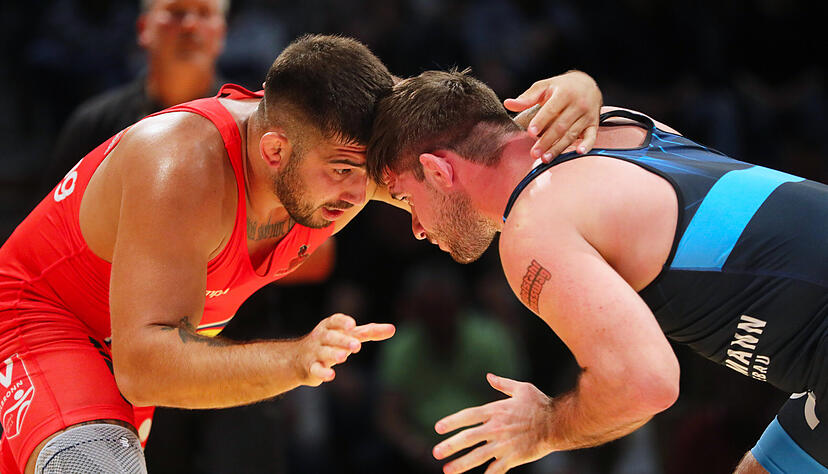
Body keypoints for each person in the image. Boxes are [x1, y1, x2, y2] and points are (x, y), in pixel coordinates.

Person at [0, 32, 603, 473]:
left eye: (367, 173)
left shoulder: (348, 147)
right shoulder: (178, 165)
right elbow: (143, 367)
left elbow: (482, 145)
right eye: (341, 171)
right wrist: (296, 359)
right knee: (93, 462)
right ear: (273, 151)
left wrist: (578, 92)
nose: (362, 193)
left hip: (133, 347)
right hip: (41, 321)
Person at [367, 69, 827, 474]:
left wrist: (545, 427)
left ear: (438, 171)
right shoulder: (609, 122)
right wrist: (579, 79)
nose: (417, 228)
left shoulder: (533, 224)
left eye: (406, 199)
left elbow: (646, 384)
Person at [43, 0, 230, 189]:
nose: (190, 25)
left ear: (222, 32)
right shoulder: (94, 126)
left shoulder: (243, 124)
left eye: (204, 13)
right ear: (143, 28)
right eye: (176, 12)